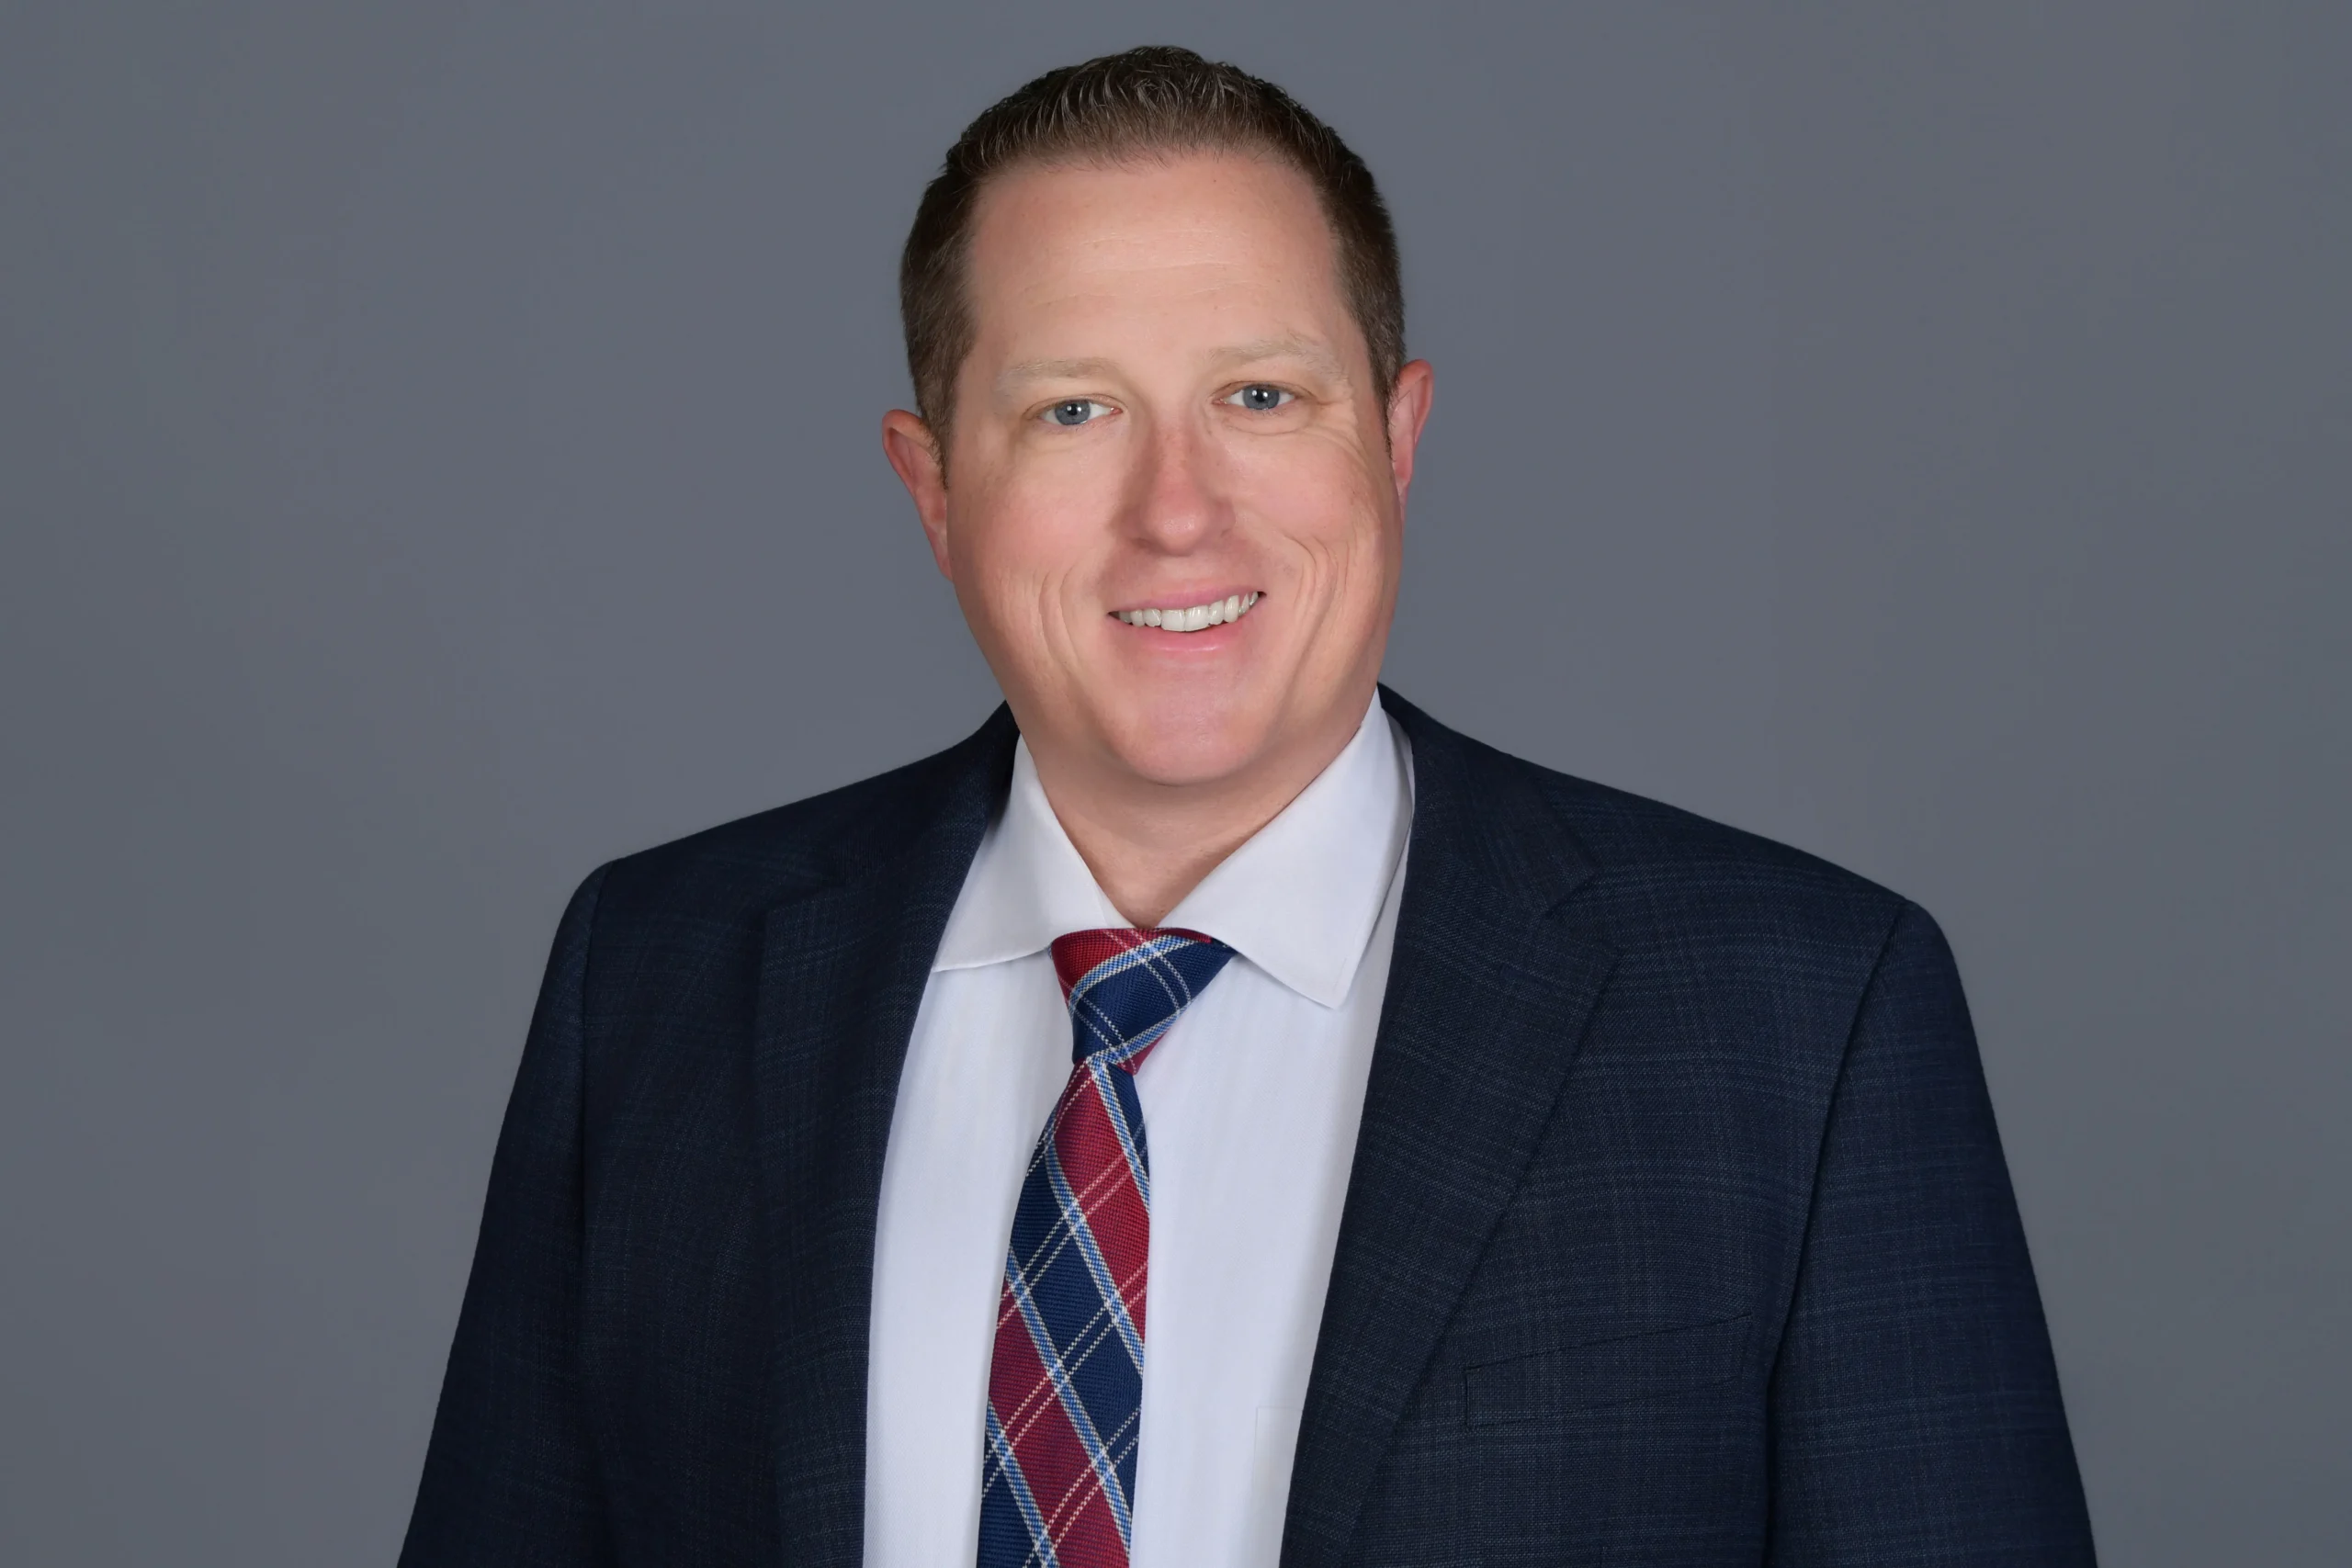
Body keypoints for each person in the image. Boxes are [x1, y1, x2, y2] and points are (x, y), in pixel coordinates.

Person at [400, 45, 2096, 1568]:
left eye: (1262, 397)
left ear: (1397, 439)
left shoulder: (1799, 1019)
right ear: (935, 487)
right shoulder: (661, 978)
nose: (1178, 511)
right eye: (1074, 411)